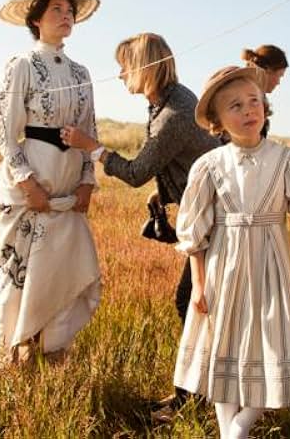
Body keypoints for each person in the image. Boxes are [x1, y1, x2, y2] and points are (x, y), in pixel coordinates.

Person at [174, 66, 290, 439]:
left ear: (265, 106)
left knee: (271, 343)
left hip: (269, 266)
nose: (248, 111)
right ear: (217, 120)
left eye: (254, 102)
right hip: (222, 267)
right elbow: (194, 233)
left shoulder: (287, 160)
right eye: (235, 106)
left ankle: (240, 427)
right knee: (221, 343)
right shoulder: (209, 166)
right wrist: (198, 285)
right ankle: (231, 431)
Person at [61, 32, 219, 411]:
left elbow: (135, 172)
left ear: (144, 69)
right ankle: (193, 395)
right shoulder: (166, 102)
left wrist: (91, 147)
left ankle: (197, 398)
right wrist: (164, 193)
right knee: (194, 303)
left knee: (192, 302)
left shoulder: (174, 113)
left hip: (217, 219)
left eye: (124, 67)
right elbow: (180, 161)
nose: (119, 75)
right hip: (204, 213)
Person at [0, 0, 103, 365]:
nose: (66, 15)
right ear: (36, 19)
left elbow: (90, 130)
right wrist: (27, 183)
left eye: (69, 9)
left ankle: (53, 356)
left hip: (68, 195)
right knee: (21, 281)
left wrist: (87, 182)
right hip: (30, 192)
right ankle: (14, 362)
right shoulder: (21, 65)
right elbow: (3, 130)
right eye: (56, 9)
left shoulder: (81, 72)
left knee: (60, 280)